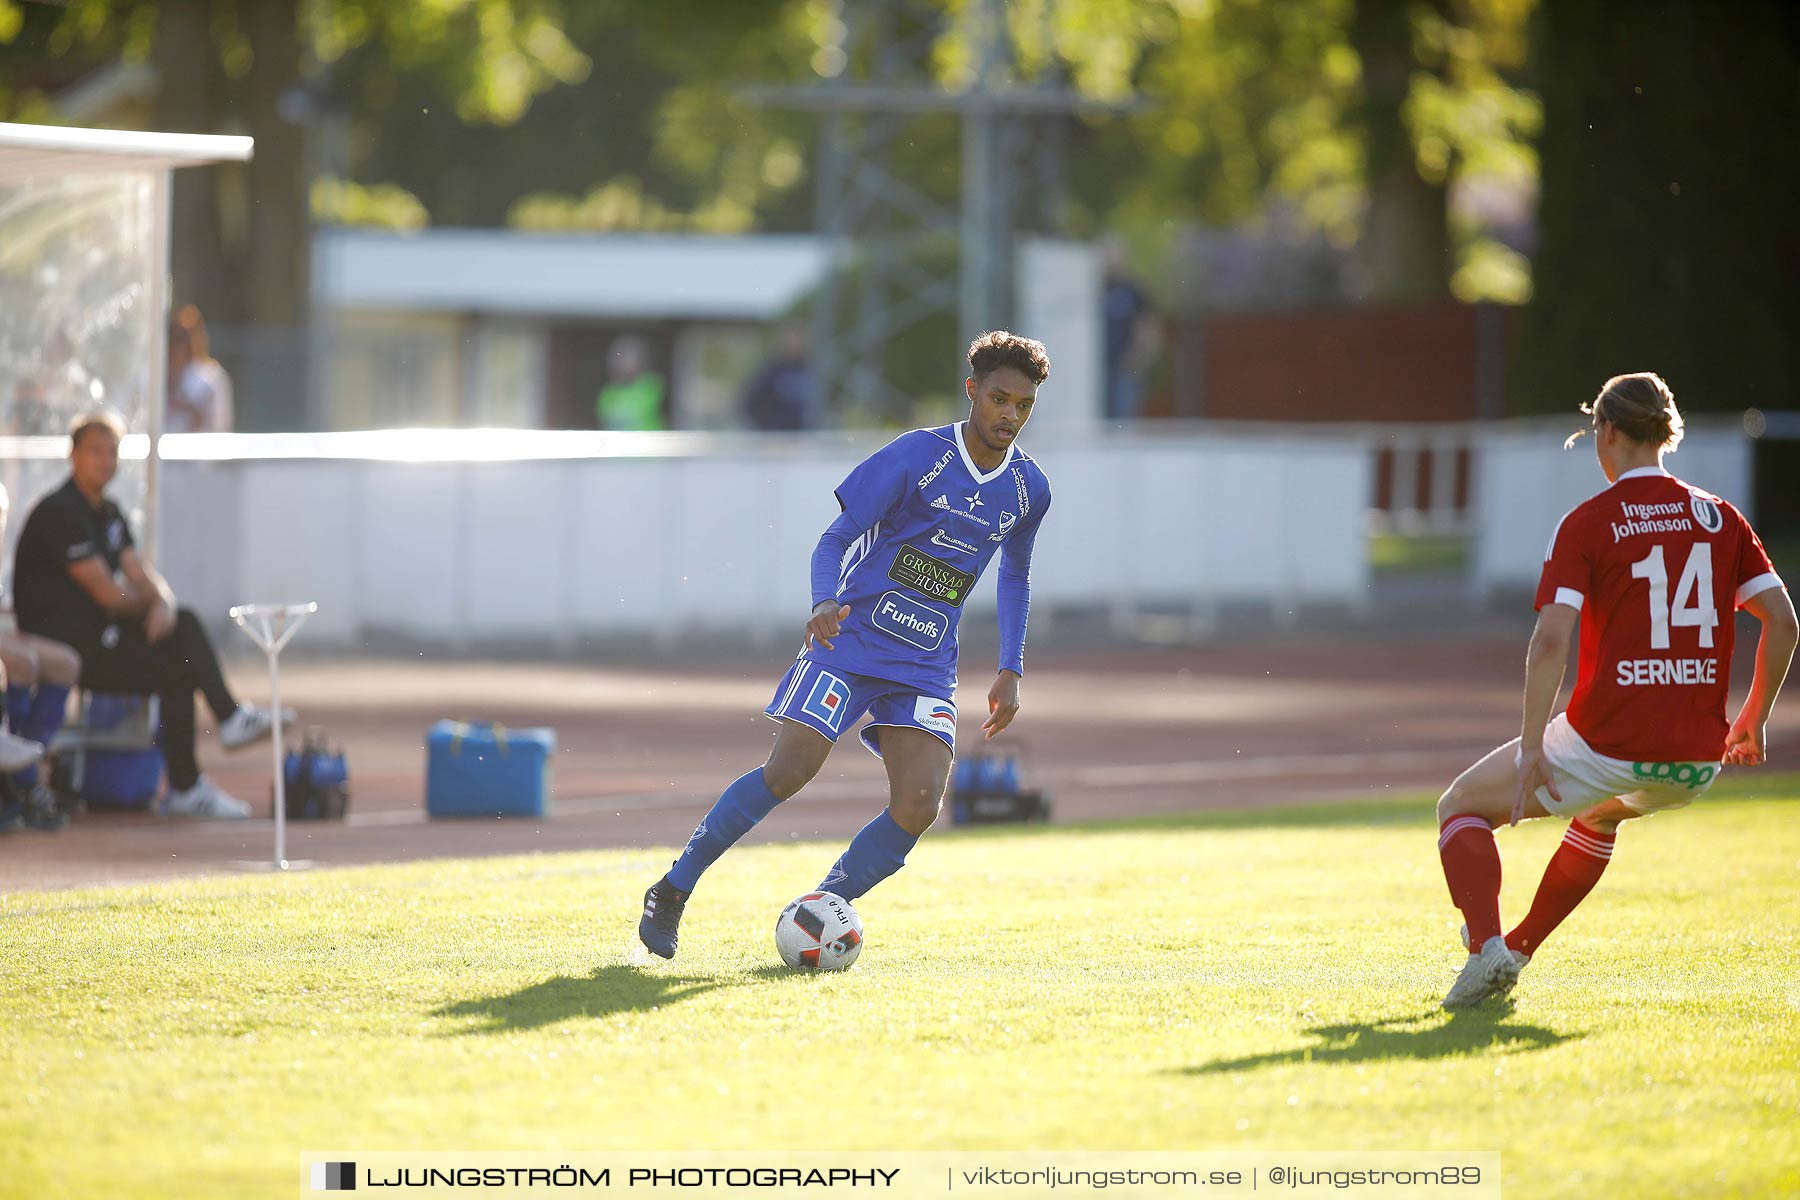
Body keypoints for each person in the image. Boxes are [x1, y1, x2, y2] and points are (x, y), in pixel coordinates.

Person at [638, 331, 1055, 959]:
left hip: (926, 662)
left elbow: (1016, 575)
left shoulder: (1030, 490)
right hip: (853, 639)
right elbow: (832, 540)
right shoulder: (917, 456)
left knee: (919, 804)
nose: (1010, 416)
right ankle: (672, 889)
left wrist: (1010, 667)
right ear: (972, 392)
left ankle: (819, 908)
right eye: (999, 399)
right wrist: (823, 602)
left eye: (1023, 407)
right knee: (789, 771)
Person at [1435, 373, 1795, 1008]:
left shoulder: (1589, 522)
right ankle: (1514, 952)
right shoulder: (1721, 518)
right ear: (1665, 432)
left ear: (1605, 431)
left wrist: (1529, 747)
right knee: (1600, 814)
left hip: (1607, 742)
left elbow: (1550, 643)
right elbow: (1785, 623)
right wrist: (1755, 718)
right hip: (1695, 762)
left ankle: (1483, 949)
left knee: (1459, 806)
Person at [11, 411, 291, 819]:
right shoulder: (61, 512)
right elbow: (107, 594)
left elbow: (140, 573)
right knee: (174, 672)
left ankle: (228, 720)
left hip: (101, 633)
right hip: (66, 641)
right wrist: (149, 601)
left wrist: (162, 600)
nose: (105, 461)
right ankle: (186, 785)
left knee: (185, 622)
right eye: (95, 451)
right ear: (73, 456)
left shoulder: (107, 512)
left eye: (113, 452)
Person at [165, 305, 235, 434]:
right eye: (174, 336)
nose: (179, 345)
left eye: (184, 337)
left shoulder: (212, 377)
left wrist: (189, 408)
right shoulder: (155, 376)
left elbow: (220, 424)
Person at [740, 322, 816, 431]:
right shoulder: (770, 371)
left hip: (806, 438)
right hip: (777, 439)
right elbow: (749, 405)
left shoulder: (812, 369)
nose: (796, 342)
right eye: (793, 338)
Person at [596, 334, 666, 431]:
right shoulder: (609, 392)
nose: (626, 363)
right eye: (622, 357)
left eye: (631, 358)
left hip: (650, 442)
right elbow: (606, 417)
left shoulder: (651, 386)